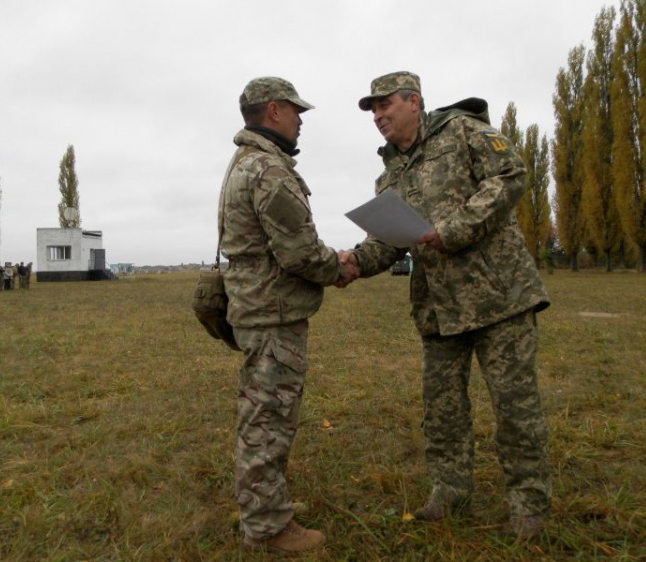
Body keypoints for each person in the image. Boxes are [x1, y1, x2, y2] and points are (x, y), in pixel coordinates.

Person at [340, 71, 551, 538]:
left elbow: (511, 174)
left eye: (384, 105)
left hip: (499, 298)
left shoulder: (463, 130)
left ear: (413, 101)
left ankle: (529, 505)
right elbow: (389, 243)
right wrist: (354, 261)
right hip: (438, 310)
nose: (377, 116)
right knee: (442, 410)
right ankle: (450, 490)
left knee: (515, 408)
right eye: (372, 110)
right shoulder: (389, 173)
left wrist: (453, 229)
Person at [219, 76, 357, 555]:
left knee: (259, 414)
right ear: (274, 110)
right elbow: (299, 251)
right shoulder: (269, 171)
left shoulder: (244, 163)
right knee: (268, 421)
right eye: (297, 112)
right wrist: (336, 266)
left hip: (257, 310)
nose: (301, 121)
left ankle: (261, 512)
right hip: (272, 314)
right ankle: (268, 527)